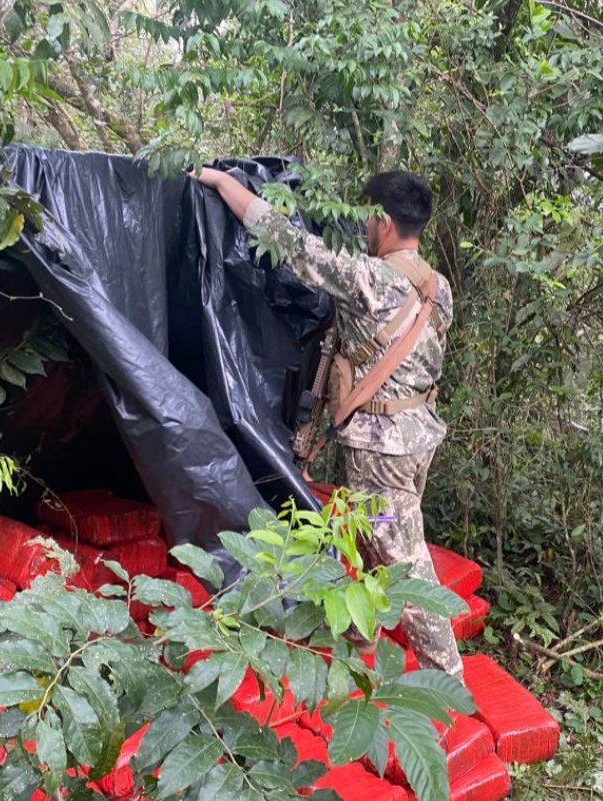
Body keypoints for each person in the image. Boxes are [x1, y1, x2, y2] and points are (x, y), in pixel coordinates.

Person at [190, 165, 464, 682]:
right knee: (375, 536)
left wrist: (225, 184)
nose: (364, 228)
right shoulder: (438, 286)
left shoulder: (369, 279)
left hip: (382, 452)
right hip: (417, 440)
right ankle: (361, 634)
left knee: (407, 566)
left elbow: (289, 242)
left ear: (383, 221)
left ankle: (448, 681)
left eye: (368, 219)